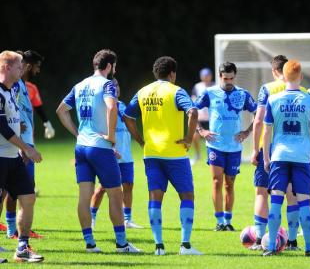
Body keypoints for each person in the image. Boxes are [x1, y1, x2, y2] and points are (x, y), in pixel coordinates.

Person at [56, 49, 141, 253]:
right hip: (100, 147)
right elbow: (112, 107)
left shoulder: (80, 85)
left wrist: (78, 134)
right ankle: (121, 244)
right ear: (110, 66)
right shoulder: (107, 84)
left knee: (84, 196)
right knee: (115, 194)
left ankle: (90, 243)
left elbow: (61, 111)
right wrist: (111, 137)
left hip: (82, 147)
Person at [124, 56, 202, 256]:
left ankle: (159, 247)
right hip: (174, 154)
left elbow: (127, 116)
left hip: (151, 153)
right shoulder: (176, 91)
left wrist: (140, 140)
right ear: (172, 73)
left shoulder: (143, 92)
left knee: (155, 197)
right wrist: (188, 138)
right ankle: (185, 246)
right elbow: (192, 112)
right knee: (187, 196)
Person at [262, 60, 310, 257]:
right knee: (303, 200)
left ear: (283, 76)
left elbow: (266, 131)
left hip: (279, 155)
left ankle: (270, 248)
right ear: (300, 76)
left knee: (276, 200)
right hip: (302, 156)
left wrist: (266, 158)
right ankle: (309, 248)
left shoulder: (273, 99)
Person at [250, 55, 305, 250]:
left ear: (275, 71)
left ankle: (258, 239)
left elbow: (258, 121)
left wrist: (256, 149)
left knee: (262, 192)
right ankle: (292, 241)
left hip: (273, 148)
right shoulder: (303, 91)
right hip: (297, 150)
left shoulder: (268, 88)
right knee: (292, 193)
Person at [195, 62, 257, 232]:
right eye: (225, 78)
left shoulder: (242, 94)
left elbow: (258, 113)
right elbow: (192, 111)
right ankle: (219, 221)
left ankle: (228, 220)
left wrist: (247, 132)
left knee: (230, 184)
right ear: (220, 76)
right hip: (215, 145)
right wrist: (201, 130)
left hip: (235, 147)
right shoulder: (210, 93)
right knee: (216, 181)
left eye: (231, 78)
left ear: (234, 76)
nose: (228, 81)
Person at [0, 50, 44, 262]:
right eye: (19, 66)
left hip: (13, 156)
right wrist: (27, 148)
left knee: (28, 197)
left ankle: (22, 248)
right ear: (7, 68)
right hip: (1, 155)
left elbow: (11, 123)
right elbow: (2, 128)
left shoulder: (11, 92)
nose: (23, 69)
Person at [90, 78, 143, 229]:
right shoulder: (103, 108)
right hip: (110, 154)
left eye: (117, 85)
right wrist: (111, 149)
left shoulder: (123, 106)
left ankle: (127, 219)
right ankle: (92, 216)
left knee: (128, 185)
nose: (116, 88)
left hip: (126, 155)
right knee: (103, 187)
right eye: (113, 86)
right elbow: (100, 132)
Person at [22, 50, 55, 139]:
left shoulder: (31, 88)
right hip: (12, 136)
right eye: (37, 67)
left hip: (27, 132)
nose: (38, 70)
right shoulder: (9, 86)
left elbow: (38, 108)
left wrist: (47, 123)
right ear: (29, 66)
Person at [190, 68, 214, 164]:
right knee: (195, 136)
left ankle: (212, 156)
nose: (206, 77)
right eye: (204, 75)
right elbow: (193, 99)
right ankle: (197, 155)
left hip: (211, 117)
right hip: (200, 117)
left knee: (212, 138)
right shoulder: (197, 86)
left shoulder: (215, 86)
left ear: (210, 76)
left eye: (207, 75)